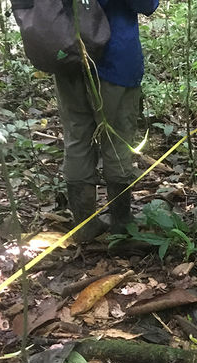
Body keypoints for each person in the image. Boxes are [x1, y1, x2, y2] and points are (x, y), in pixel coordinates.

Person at [55, 0, 159, 242]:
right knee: (117, 140)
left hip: (68, 57)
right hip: (115, 59)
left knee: (77, 139)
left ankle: (84, 226)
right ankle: (121, 224)